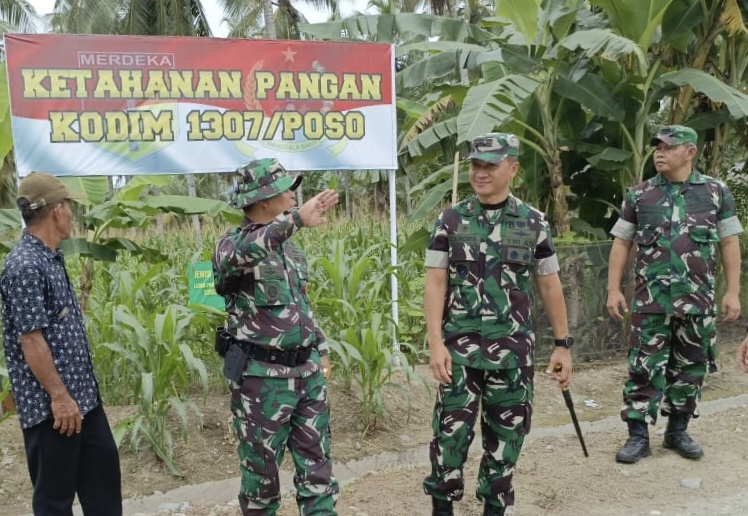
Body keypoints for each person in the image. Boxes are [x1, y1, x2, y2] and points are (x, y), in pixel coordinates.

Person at [422, 133, 573, 516]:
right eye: (476, 165)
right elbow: (435, 283)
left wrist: (562, 344)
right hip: (459, 353)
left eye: (490, 165)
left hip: (512, 354)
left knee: (507, 438)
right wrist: (436, 343)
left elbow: (549, 284)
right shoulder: (451, 220)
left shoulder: (533, 222)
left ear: (513, 169)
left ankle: (495, 507)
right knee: (449, 435)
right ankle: (442, 506)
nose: (481, 172)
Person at [606, 125, 743, 464]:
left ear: (690, 152)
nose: (660, 153)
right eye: (657, 147)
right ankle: (638, 436)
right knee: (643, 367)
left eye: (668, 147)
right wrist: (612, 289)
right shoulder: (639, 195)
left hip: (697, 301)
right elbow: (622, 243)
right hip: (651, 301)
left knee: (691, 367)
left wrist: (734, 292)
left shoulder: (715, 192)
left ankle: (677, 430)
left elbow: (729, 242)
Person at [212, 158, 339, 516]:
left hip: (307, 375)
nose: (292, 195)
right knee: (261, 483)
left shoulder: (290, 249)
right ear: (265, 198)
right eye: (286, 189)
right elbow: (251, 248)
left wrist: (321, 349)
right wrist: (297, 219)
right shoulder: (230, 247)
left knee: (318, 473)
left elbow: (302, 305)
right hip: (261, 382)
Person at [0, 172, 122, 515]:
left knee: (104, 492)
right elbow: (30, 338)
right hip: (53, 410)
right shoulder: (24, 265)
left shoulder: (51, 257)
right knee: (55, 502)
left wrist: (77, 399)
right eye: (69, 206)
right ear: (56, 210)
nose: (72, 213)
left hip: (84, 400)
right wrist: (59, 397)